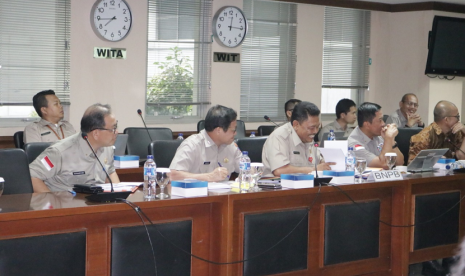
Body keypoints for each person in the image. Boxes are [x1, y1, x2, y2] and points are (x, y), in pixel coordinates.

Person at [29, 103, 120, 192]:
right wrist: (50, 202)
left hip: (96, 202)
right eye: (113, 128)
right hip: (65, 204)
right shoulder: (59, 152)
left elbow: (110, 172)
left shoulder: (108, 148)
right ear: (96, 133)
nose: (116, 132)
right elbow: (32, 175)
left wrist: (119, 195)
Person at [262, 101, 335, 177]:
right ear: (296, 125)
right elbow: (279, 171)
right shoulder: (279, 137)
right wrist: (314, 169)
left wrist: (327, 163)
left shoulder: (308, 137)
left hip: (306, 184)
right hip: (280, 186)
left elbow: (319, 161)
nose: (315, 131)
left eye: (317, 127)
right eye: (311, 128)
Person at [169, 105, 241, 182]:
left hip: (224, 193)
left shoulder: (231, 146)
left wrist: (252, 172)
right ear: (218, 130)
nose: (235, 133)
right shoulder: (192, 145)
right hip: (196, 193)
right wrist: (209, 177)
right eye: (233, 130)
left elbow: (247, 169)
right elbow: (173, 175)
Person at [347, 102, 404, 168]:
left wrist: (391, 140)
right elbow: (384, 165)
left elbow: (400, 163)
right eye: (380, 120)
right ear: (367, 124)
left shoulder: (378, 136)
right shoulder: (354, 144)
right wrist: (388, 138)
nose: (383, 123)